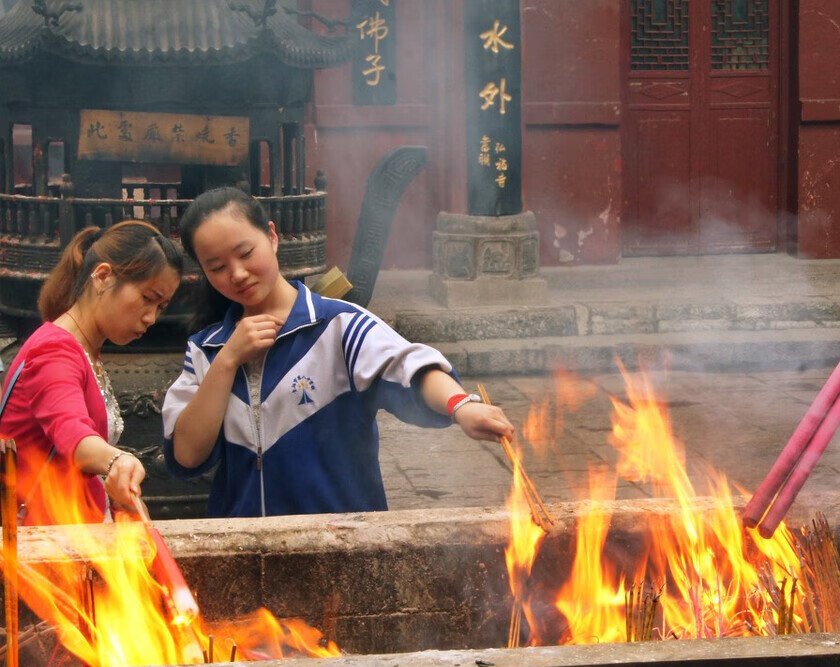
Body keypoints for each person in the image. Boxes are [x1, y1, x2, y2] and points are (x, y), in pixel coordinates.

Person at [161, 187, 515, 517]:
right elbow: (188, 455)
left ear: (271, 235)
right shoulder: (206, 350)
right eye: (217, 268)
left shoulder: (338, 325)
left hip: (341, 547)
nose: (236, 274)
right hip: (245, 550)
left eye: (245, 253)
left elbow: (408, 367)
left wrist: (461, 406)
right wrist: (227, 360)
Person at [0, 221, 183, 524]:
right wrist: (118, 460)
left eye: (161, 306)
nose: (152, 317)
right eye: (147, 298)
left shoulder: (82, 349)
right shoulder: (54, 352)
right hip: (48, 545)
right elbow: (73, 434)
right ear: (102, 276)